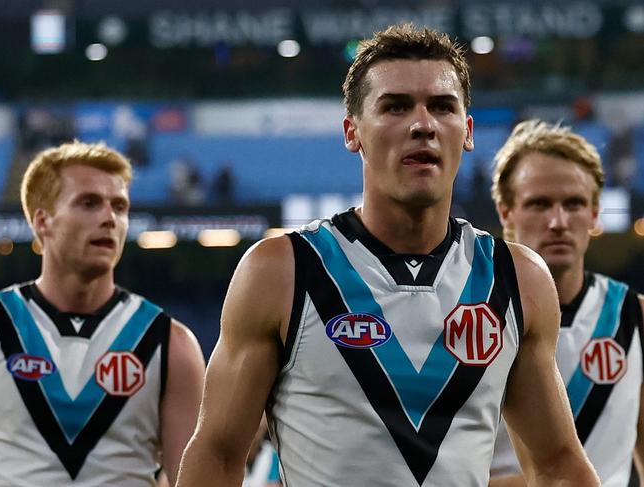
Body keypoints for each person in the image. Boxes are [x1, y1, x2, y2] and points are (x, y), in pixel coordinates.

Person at [176, 24, 599, 487]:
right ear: (352, 132)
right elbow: (217, 457)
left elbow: (558, 464)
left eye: (442, 107)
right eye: (395, 106)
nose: (423, 125)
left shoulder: (519, 279)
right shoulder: (280, 270)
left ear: (468, 131)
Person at [0, 141, 206, 486]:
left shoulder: (171, 343)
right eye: (89, 203)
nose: (110, 218)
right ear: (42, 221)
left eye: (119, 207)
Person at [489, 119, 644, 486]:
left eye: (573, 204)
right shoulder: (468, 314)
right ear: (505, 211)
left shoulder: (633, 316)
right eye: (539, 204)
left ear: (594, 213)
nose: (558, 221)